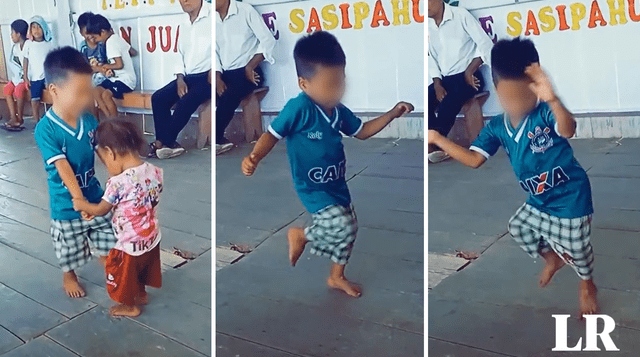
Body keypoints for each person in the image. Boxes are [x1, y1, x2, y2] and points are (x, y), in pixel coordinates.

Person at [427, 38, 598, 317]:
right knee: (519, 227)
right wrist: (438, 139)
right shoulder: (496, 128)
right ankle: (552, 259)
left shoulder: (545, 113)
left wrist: (553, 99)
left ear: (537, 85)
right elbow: (473, 160)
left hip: (572, 198)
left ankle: (587, 284)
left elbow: (568, 130)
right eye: (509, 98)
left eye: (524, 97)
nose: (517, 105)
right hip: (539, 201)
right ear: (497, 90)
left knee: (578, 250)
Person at [241, 32, 414, 298]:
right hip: (312, 188)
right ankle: (301, 235)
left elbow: (363, 132)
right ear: (304, 83)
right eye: (330, 84)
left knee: (350, 229)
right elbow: (271, 135)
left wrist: (393, 113)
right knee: (341, 225)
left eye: (341, 83)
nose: (337, 90)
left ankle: (336, 276)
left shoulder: (338, 111)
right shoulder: (298, 109)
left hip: (336, 184)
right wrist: (254, 157)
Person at [34, 47, 117, 298]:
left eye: (88, 91)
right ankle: (68, 275)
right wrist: (77, 199)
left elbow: (101, 151)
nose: (87, 99)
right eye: (80, 93)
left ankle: (110, 264)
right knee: (69, 247)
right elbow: (62, 167)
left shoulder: (88, 121)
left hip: (94, 195)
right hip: (66, 204)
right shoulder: (46, 129)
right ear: (55, 91)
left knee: (108, 235)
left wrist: (119, 175)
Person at [73, 119, 163, 317]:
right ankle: (141, 294)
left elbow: (101, 210)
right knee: (140, 269)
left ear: (110, 153)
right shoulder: (154, 171)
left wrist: (83, 205)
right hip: (152, 237)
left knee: (122, 274)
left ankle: (130, 306)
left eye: (104, 160)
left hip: (129, 243)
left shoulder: (118, 182)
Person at [428, 0, 493, 163]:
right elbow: (431, 57)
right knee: (428, 100)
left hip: (470, 75)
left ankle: (436, 145)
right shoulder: (428, 26)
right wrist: (437, 84)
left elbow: (485, 44)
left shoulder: (460, 15)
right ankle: (436, 146)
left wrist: (470, 70)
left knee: (447, 106)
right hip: (445, 79)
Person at [148, 0, 212, 159]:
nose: (184, 1)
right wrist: (180, 78)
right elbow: (179, 54)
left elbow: (222, 50)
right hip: (188, 77)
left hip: (210, 75)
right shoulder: (183, 23)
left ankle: (161, 143)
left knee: (186, 101)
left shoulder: (214, 17)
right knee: (158, 98)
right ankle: (168, 144)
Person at [215, 0, 276, 155]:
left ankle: (216, 138)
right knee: (201, 90)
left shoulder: (245, 10)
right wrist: (217, 76)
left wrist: (251, 65)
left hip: (249, 71)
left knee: (229, 96)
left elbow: (268, 40)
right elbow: (212, 51)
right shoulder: (211, 18)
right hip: (225, 73)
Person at [85, 14, 137, 117]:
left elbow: (119, 64)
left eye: (96, 37)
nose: (95, 40)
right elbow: (133, 52)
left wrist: (105, 66)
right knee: (96, 91)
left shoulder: (111, 42)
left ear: (103, 32)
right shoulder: (116, 38)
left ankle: (114, 122)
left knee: (106, 95)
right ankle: (109, 119)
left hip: (125, 81)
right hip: (116, 79)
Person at [23, 16, 56, 123]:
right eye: (33, 28)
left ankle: (54, 118)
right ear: (30, 30)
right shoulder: (29, 44)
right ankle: (37, 120)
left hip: (47, 76)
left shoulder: (49, 44)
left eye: (39, 27)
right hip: (35, 77)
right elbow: (25, 60)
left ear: (44, 29)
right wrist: (25, 76)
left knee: (53, 94)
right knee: (35, 99)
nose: (36, 31)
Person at [2, 19, 29, 131]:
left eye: (12, 32)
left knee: (18, 90)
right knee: (7, 89)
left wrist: (24, 76)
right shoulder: (15, 47)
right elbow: (13, 62)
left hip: (26, 78)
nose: (11, 35)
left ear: (18, 34)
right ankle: (13, 117)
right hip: (17, 78)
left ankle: (20, 118)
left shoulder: (29, 45)